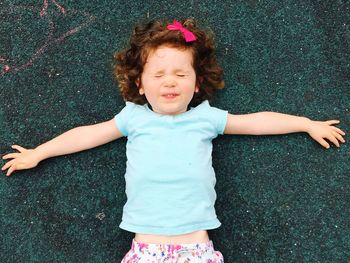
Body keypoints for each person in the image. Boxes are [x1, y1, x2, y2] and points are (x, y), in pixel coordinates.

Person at [1, 19, 346, 262]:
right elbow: (88, 134)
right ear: (140, 85)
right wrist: (39, 153)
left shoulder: (206, 118)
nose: (170, 82)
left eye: (181, 74)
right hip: (144, 249)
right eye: (158, 74)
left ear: (196, 84)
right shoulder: (132, 118)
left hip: (197, 249)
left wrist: (305, 123)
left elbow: (256, 123)